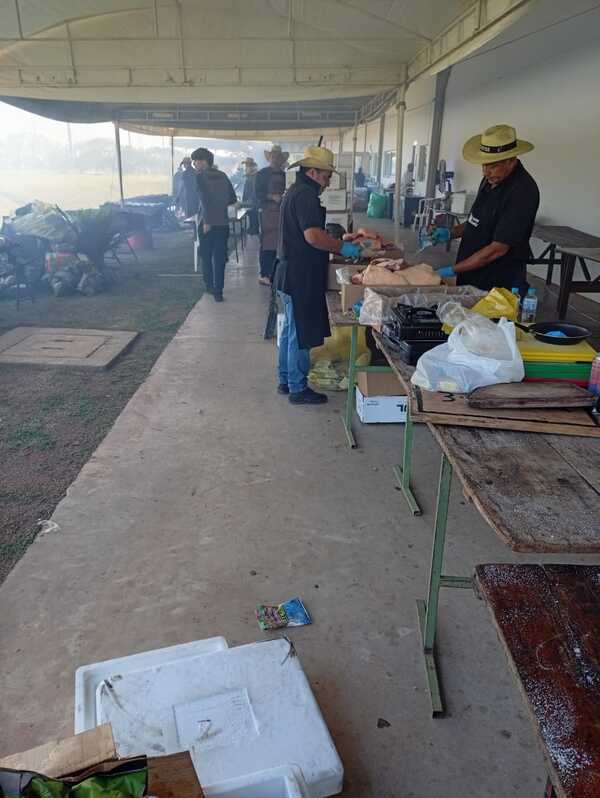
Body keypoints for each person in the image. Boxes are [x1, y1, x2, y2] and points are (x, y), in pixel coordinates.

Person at [274, 146, 362, 405]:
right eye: (326, 175)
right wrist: (341, 247)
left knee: (291, 330)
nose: (329, 180)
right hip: (300, 274)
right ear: (312, 172)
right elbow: (312, 236)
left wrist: (336, 241)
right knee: (300, 333)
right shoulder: (306, 196)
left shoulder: (296, 192)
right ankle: (298, 389)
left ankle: (285, 379)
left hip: (289, 271)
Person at [436, 124, 539, 292]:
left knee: (488, 317)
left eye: (492, 166)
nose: (486, 172)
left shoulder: (522, 192)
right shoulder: (491, 180)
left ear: (511, 160)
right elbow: (475, 221)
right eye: (483, 165)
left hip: (497, 279)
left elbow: (496, 250)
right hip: (471, 270)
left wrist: (452, 270)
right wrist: (450, 232)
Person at [191, 146, 237, 302]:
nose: (194, 165)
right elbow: (232, 199)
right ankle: (219, 292)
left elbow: (204, 200)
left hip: (207, 222)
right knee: (219, 257)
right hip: (222, 222)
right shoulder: (223, 176)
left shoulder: (200, 177)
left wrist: (208, 220)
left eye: (195, 161)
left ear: (203, 162)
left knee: (205, 255)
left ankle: (209, 286)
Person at [255, 144, 289, 285]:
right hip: (267, 212)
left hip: (281, 212)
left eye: (278, 157)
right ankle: (264, 273)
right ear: (270, 158)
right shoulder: (262, 174)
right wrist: (271, 196)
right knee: (267, 243)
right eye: (274, 156)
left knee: (279, 243)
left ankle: (275, 273)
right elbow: (257, 194)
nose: (276, 159)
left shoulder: (284, 174)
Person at [241, 157, 259, 235]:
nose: (246, 166)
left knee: (253, 217)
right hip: (250, 202)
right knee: (251, 217)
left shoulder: (254, 176)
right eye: (246, 164)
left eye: (247, 164)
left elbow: (254, 191)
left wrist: (249, 201)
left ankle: (254, 230)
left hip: (253, 203)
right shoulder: (249, 176)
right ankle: (252, 229)